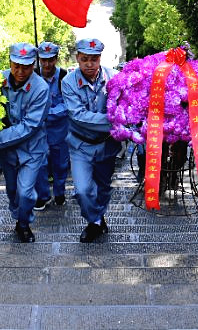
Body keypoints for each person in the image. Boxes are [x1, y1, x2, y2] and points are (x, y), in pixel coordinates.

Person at [61, 38, 121, 243]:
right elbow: (78, 115)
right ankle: (93, 221)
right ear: (77, 58)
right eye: (84, 59)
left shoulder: (114, 77)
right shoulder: (68, 82)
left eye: (93, 59)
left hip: (107, 143)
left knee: (103, 186)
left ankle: (98, 216)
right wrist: (116, 121)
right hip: (80, 144)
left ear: (100, 59)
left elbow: (125, 104)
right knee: (83, 190)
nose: (89, 64)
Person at [0, 42, 50, 243]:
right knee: (12, 190)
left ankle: (24, 223)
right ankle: (18, 216)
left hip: (32, 149)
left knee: (26, 192)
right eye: (16, 65)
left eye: (26, 67)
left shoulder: (41, 88)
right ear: (10, 62)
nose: (20, 71)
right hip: (8, 151)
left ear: (33, 65)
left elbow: (31, 125)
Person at [33, 41, 70, 209]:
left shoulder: (64, 77)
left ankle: (59, 192)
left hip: (59, 129)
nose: (47, 64)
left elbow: (68, 104)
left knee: (60, 163)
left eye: (50, 60)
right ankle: (43, 195)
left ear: (56, 59)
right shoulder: (33, 76)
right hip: (38, 130)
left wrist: (47, 113)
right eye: (43, 60)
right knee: (39, 162)